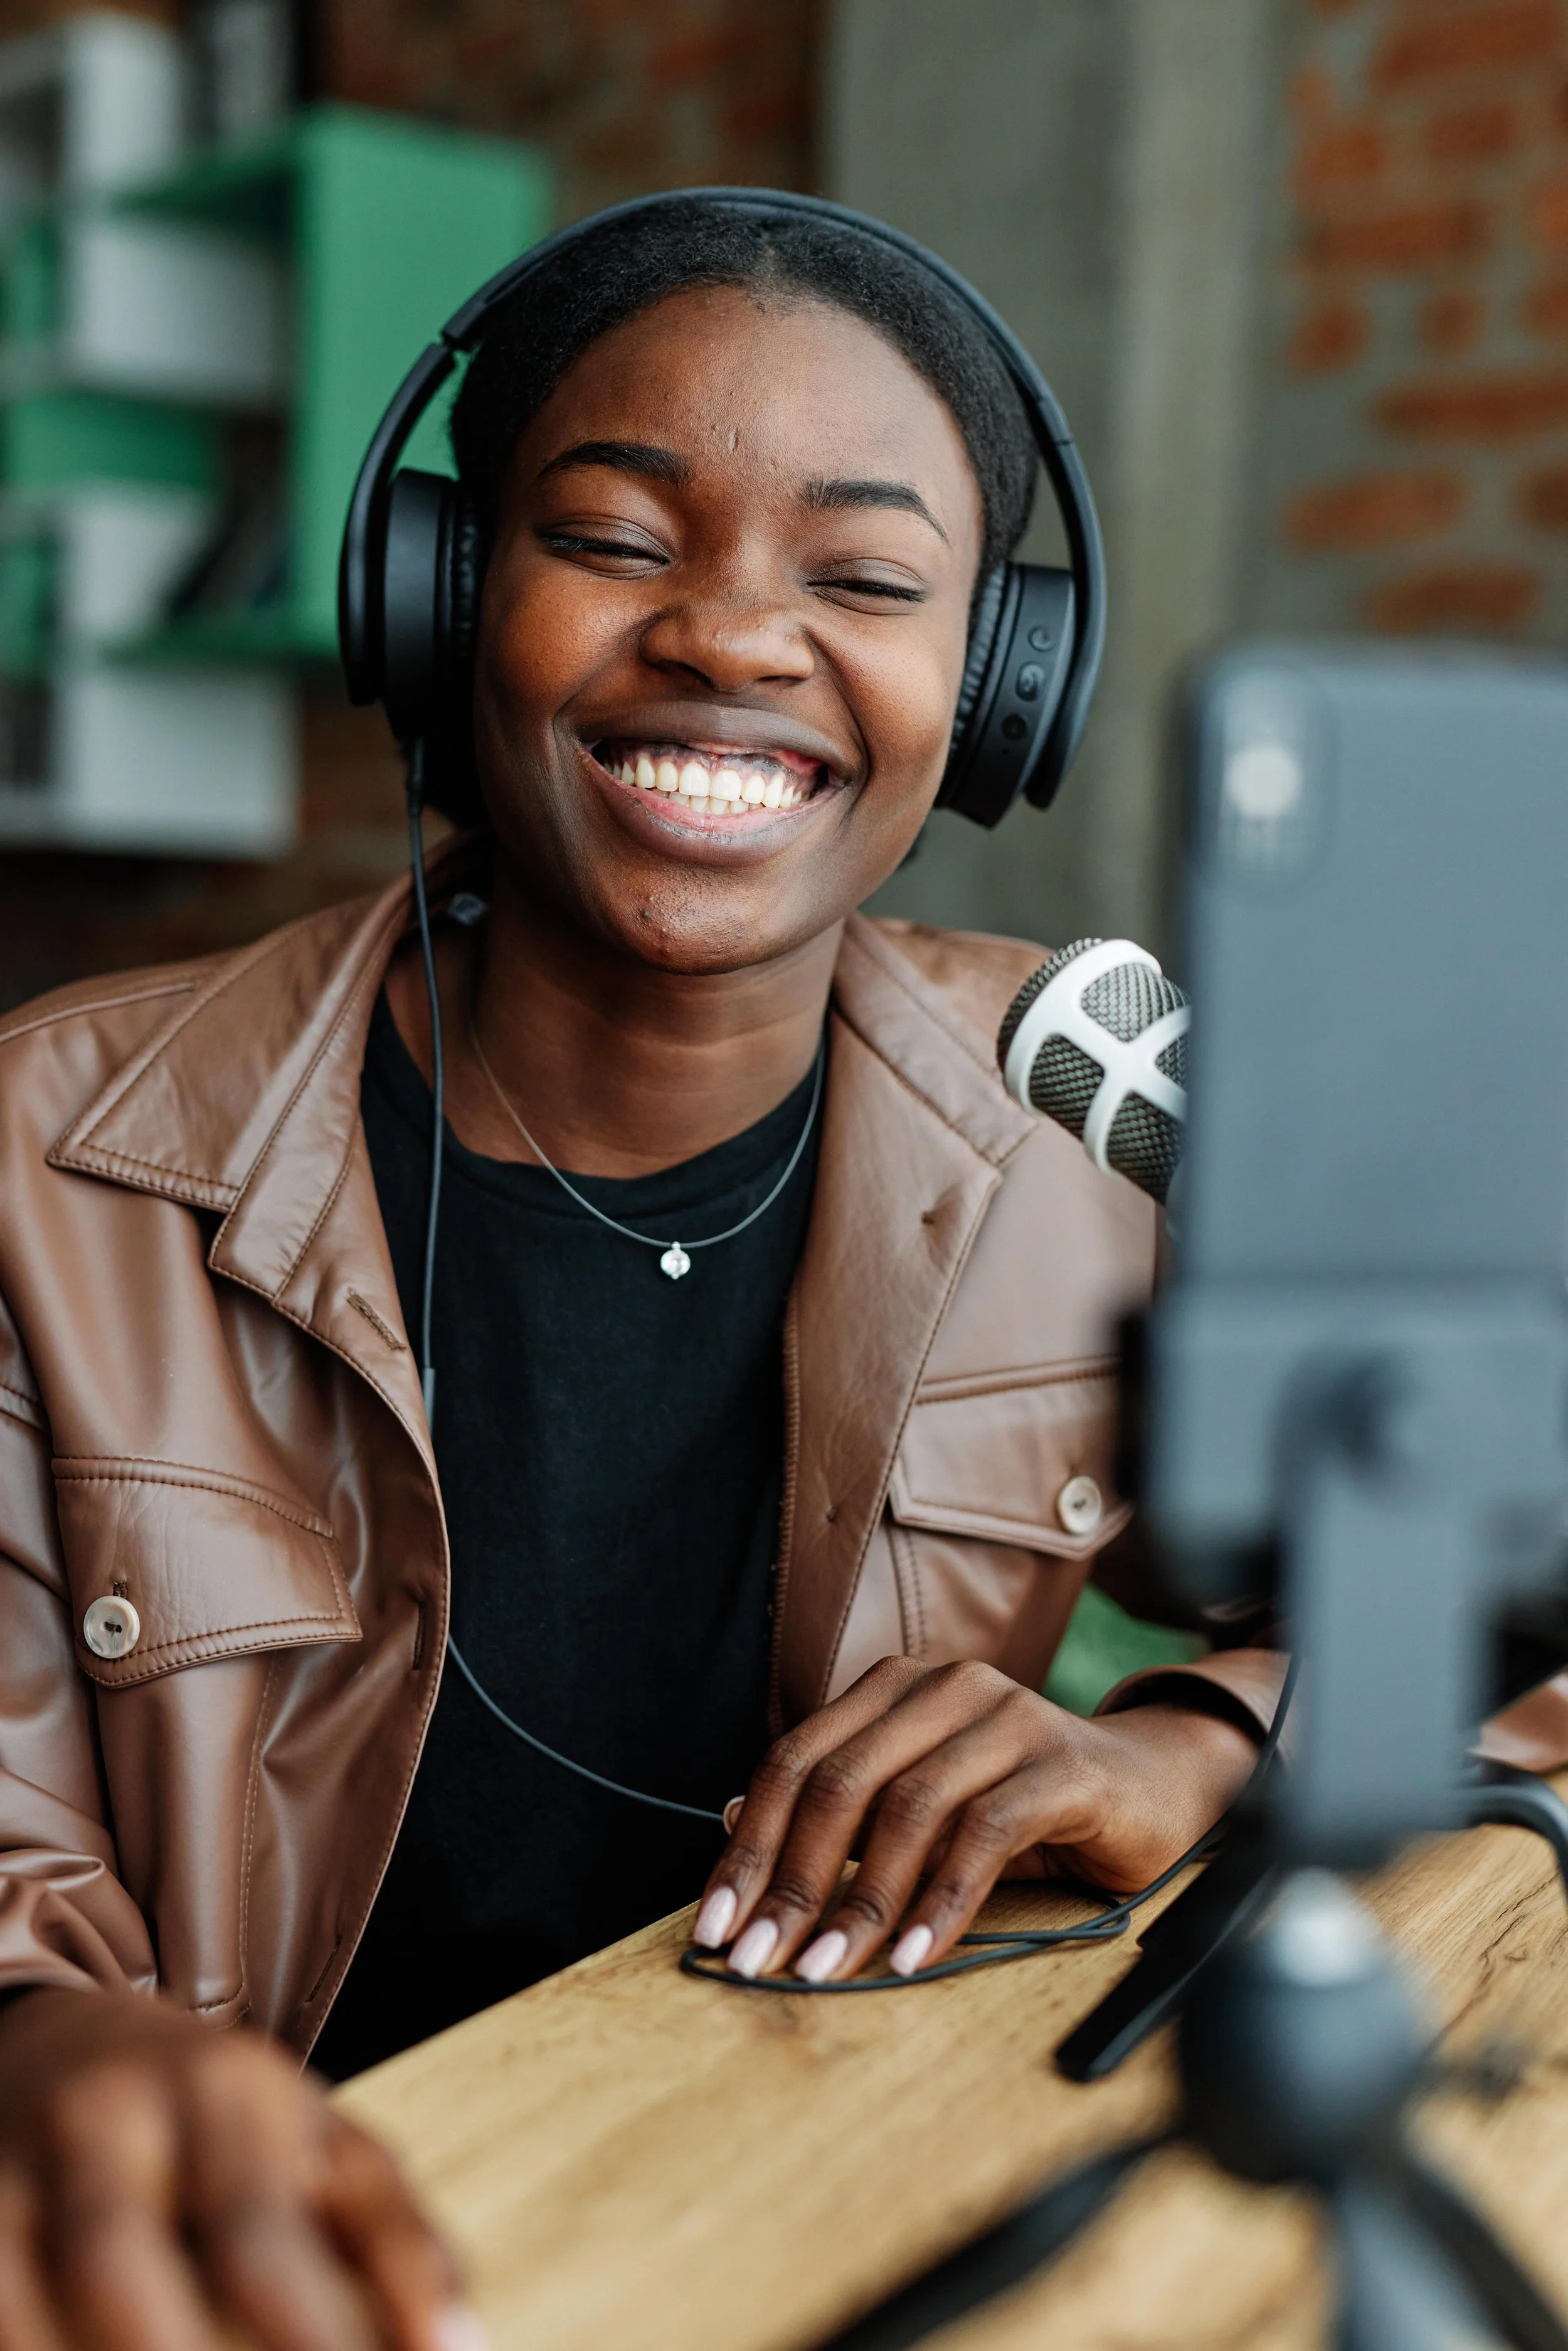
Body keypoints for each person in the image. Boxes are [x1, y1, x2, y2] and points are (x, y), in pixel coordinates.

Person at [0, 198, 1283, 2350]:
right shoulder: (54, 1154)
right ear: (434, 595)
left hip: (803, 2225)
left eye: (864, 581)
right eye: (611, 537)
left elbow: (1478, 1572)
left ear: (990, 688)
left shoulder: (1082, 1126)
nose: (734, 638)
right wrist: (48, 2058)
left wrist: (1192, 1732)